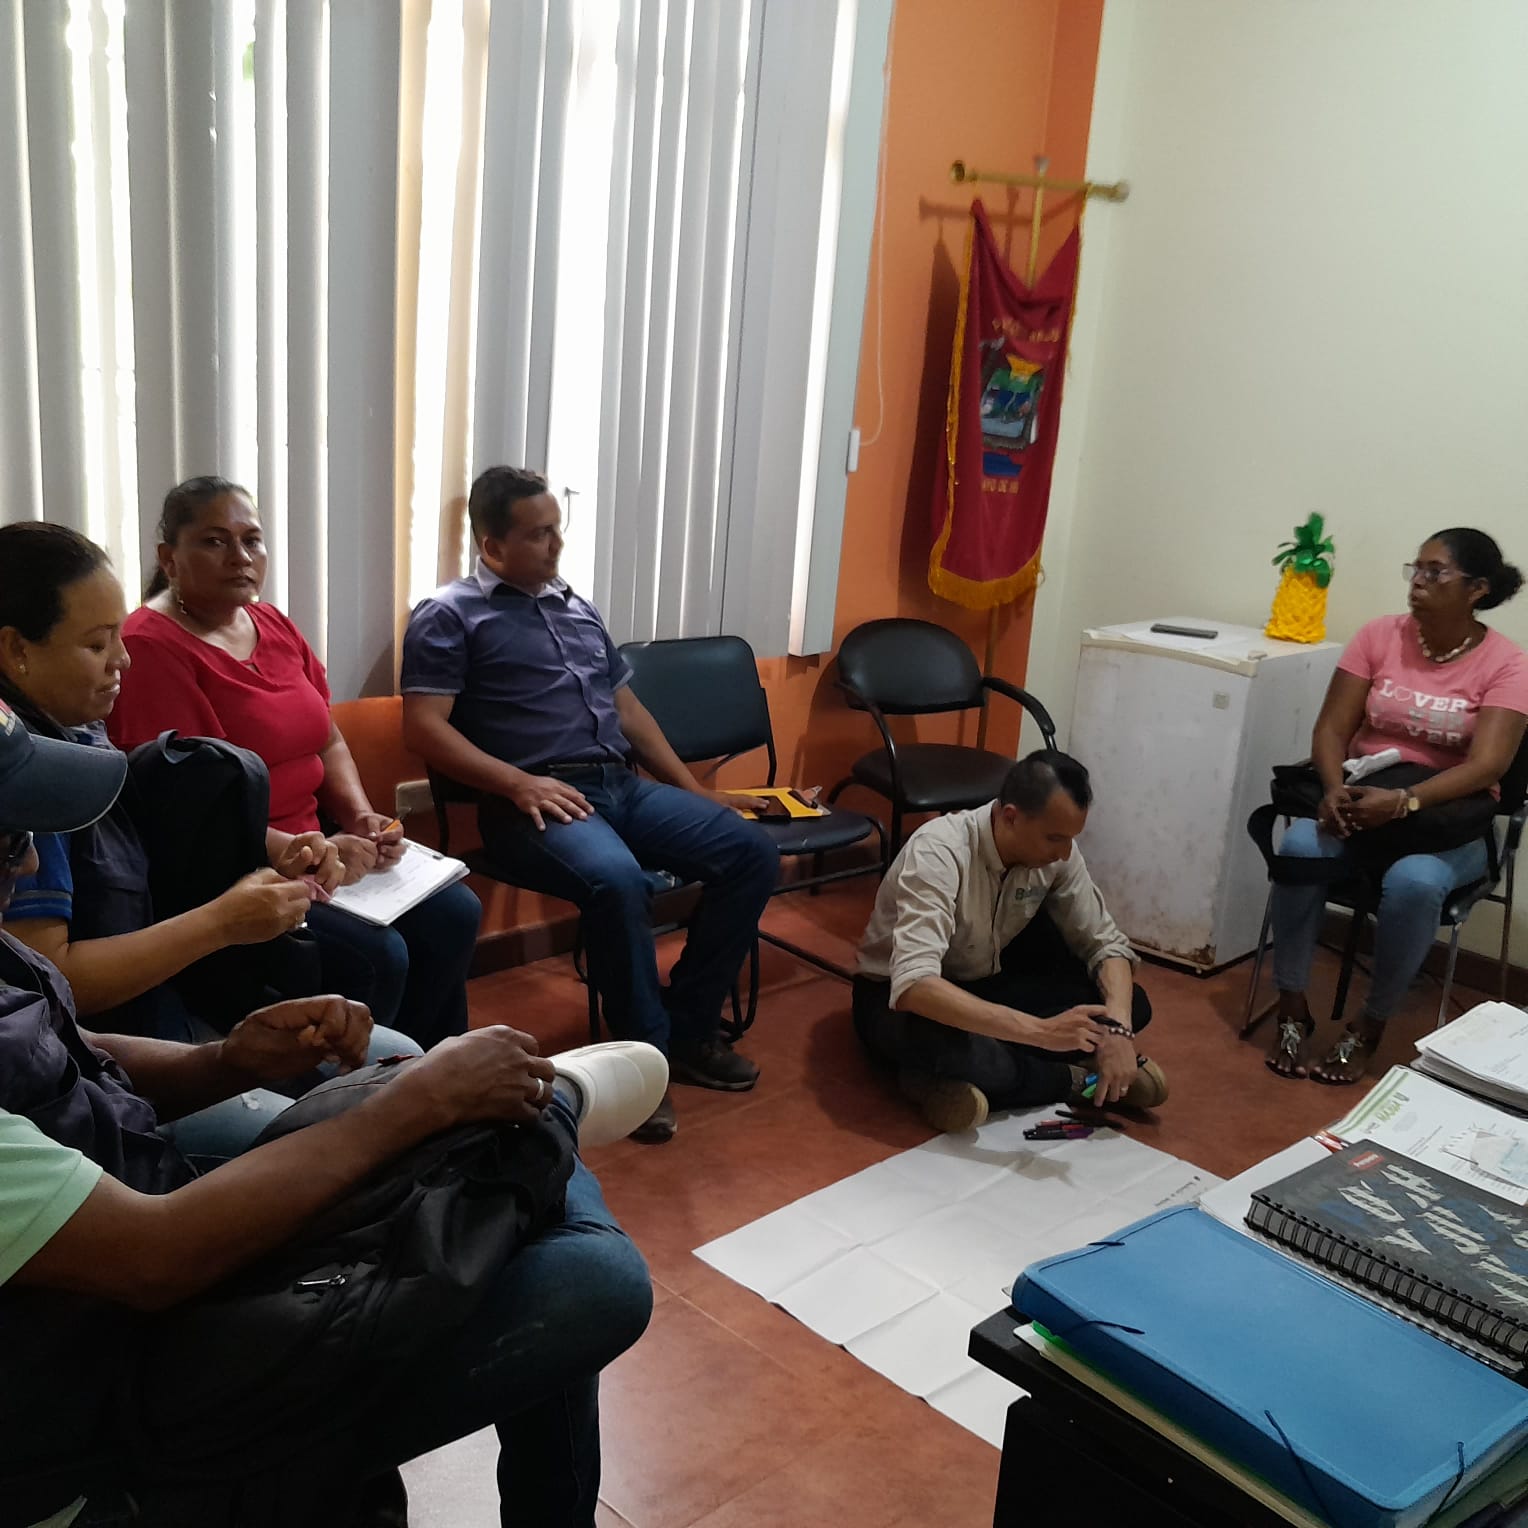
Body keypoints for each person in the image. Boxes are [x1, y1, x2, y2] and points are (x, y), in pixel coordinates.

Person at [0, 715, 665, 1528]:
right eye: (8, 844)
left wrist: (227, 1062)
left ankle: (536, 1120)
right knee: (597, 1281)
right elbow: (157, 1256)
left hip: (133, 1221)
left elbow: (72, 1045)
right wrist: (425, 1101)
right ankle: (555, 1108)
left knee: (447, 1121)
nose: (28, 862)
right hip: (115, 1402)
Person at [0, 523, 422, 1156]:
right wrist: (221, 924)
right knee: (347, 1129)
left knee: (402, 1060)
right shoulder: (29, 785)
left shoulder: (80, 734)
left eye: (119, 635)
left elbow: (141, 836)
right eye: (96, 644)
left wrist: (274, 848)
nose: (123, 660)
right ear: (16, 650)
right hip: (98, 1063)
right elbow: (55, 981)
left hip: (159, 1015)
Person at [400, 466, 780, 1144]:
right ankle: (643, 1064)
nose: (556, 545)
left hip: (618, 785)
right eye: (538, 534)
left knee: (750, 850)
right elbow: (425, 728)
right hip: (531, 803)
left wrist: (695, 791)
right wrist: (516, 783)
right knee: (617, 882)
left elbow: (628, 712)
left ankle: (689, 1029)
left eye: (557, 529)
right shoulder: (449, 614)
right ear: (492, 546)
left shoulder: (576, 606)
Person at [107, 478, 483, 1049]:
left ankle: (440, 1072)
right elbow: (189, 811)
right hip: (236, 869)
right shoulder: (150, 646)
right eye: (214, 541)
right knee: (378, 955)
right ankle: (364, 1087)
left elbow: (327, 738)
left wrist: (359, 817)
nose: (240, 556)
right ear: (169, 558)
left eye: (252, 540)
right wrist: (307, 850)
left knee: (455, 912)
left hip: (321, 847)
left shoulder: (273, 624)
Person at [1263, 528, 1528, 1084]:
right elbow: (1332, 729)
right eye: (1417, 569)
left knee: (1414, 882)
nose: (1418, 583)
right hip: (1362, 806)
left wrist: (1406, 802)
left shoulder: (1508, 664)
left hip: (1449, 824)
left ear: (1477, 588)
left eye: (1436, 572)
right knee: (1300, 845)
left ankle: (1370, 1023)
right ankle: (1291, 1006)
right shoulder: (1379, 635)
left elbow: (1488, 766)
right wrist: (1333, 788)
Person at [853, 750, 1168, 1134]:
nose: (1064, 852)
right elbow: (914, 986)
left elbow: (1104, 944)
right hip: (898, 999)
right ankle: (1077, 1082)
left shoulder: (1058, 853)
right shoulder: (938, 851)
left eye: (1071, 839)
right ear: (1010, 816)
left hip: (986, 983)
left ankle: (946, 1080)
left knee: (1131, 1003)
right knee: (949, 1046)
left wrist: (1117, 1029)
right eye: (1054, 838)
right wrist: (1042, 1032)